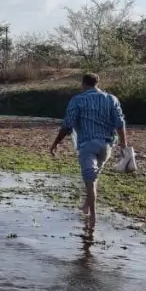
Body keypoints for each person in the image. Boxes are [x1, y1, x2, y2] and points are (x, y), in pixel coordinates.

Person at [50, 73, 128, 226]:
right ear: (97, 83)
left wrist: (56, 143)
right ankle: (86, 205)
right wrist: (124, 144)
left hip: (87, 144)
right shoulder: (111, 98)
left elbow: (68, 124)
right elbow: (120, 122)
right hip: (106, 146)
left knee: (89, 180)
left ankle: (92, 217)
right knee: (93, 176)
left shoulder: (78, 100)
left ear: (83, 84)